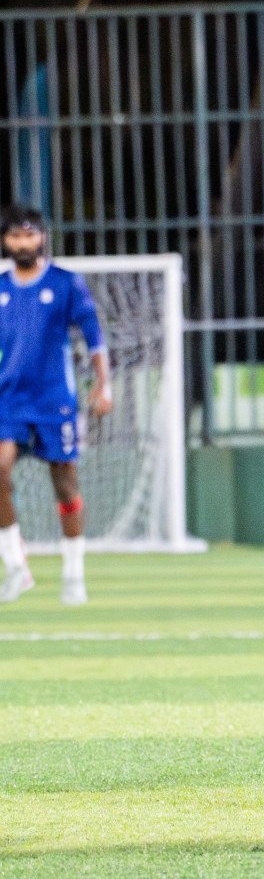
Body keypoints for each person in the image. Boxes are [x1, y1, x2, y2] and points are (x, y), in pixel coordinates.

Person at [0, 208, 113, 606]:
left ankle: (73, 572)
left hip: (54, 400)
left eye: (29, 236)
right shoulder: (0, 288)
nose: (22, 243)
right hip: (9, 399)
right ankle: (15, 566)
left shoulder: (66, 284)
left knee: (64, 481)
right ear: (5, 242)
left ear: (42, 239)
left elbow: (94, 337)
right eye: (15, 236)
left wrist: (104, 386)